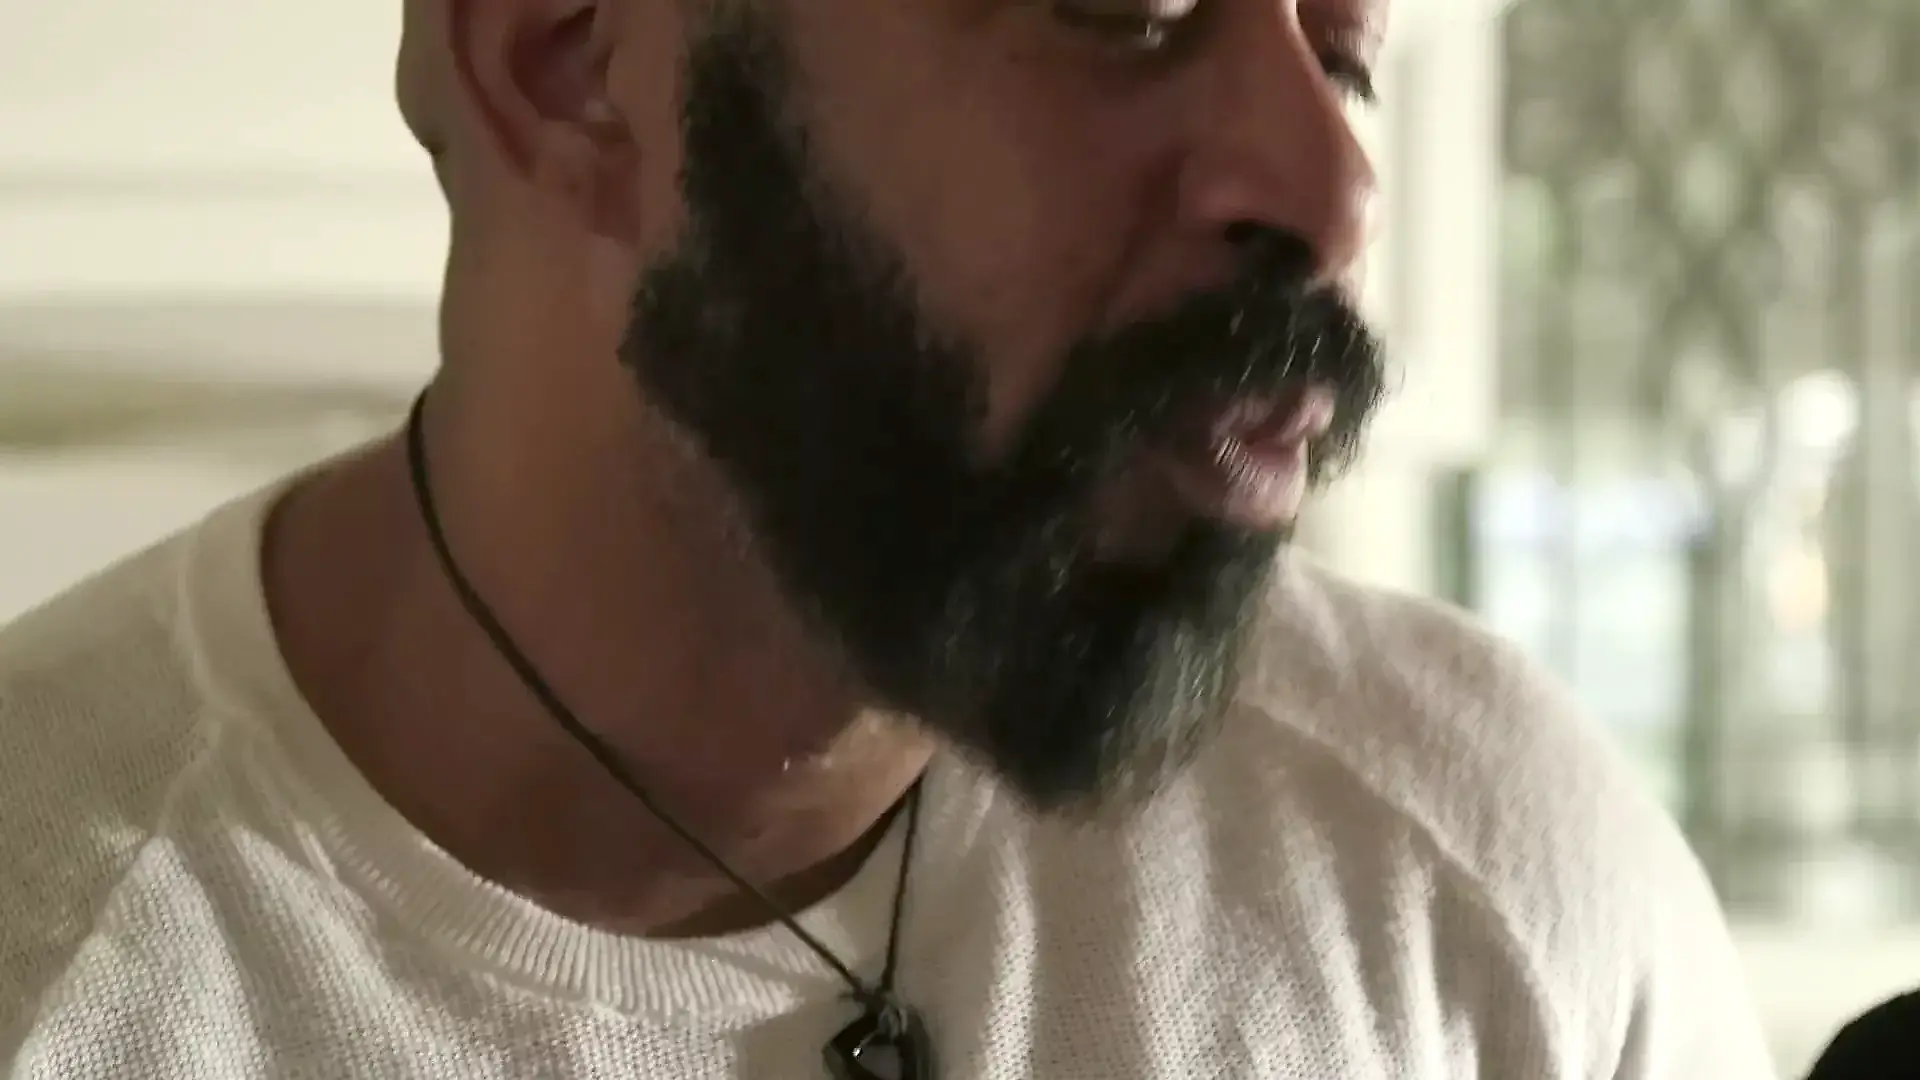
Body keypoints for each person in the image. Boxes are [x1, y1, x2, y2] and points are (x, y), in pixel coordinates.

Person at [0, 0, 1775, 1076]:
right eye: (1124, 13)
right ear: (574, 66)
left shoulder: (1478, 867)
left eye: (1344, 60)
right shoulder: (60, 959)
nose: (1329, 193)